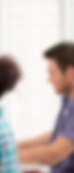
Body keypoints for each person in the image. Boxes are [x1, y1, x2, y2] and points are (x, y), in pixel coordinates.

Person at [18, 42, 74, 173]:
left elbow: (54, 154)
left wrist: (3, 156)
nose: (49, 79)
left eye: (52, 73)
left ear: (70, 73)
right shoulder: (68, 101)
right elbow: (60, 135)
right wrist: (15, 145)